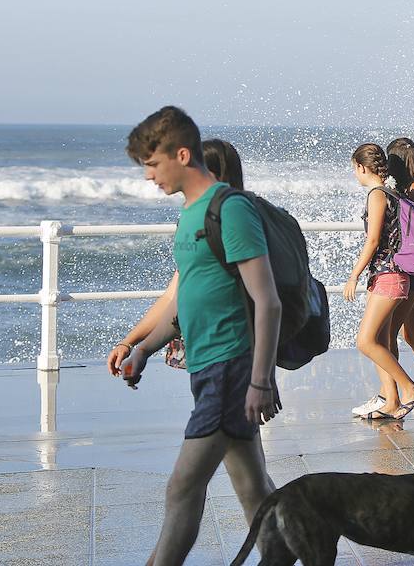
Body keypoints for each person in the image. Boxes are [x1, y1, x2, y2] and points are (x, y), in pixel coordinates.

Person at [117, 107, 280, 565]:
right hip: (207, 367)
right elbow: (183, 301)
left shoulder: (231, 210)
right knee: (252, 488)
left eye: (152, 164)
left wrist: (260, 381)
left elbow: (268, 301)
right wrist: (143, 348)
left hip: (231, 368)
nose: (148, 176)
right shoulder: (190, 215)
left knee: (182, 487)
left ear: (182, 154)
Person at [106, 138, 245, 373]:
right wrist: (131, 344)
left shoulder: (234, 222)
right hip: (205, 359)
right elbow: (173, 298)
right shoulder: (195, 222)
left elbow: (264, 302)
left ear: (210, 173)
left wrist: (262, 378)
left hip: (230, 357)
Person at [351, 138, 414, 417]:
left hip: (408, 271)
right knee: (408, 334)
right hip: (413, 272)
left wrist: (355, 274)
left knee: (383, 337)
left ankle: (394, 394)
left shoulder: (411, 192)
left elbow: (391, 237)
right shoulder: (407, 190)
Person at [343, 143, 414, 419]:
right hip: (390, 275)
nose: (354, 174)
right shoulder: (391, 193)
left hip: (388, 275)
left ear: (361, 167)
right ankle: (391, 401)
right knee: (381, 339)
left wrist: (354, 274)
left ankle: (409, 388)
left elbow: (374, 240)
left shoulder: (377, 194)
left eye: (354, 169)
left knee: (365, 341)